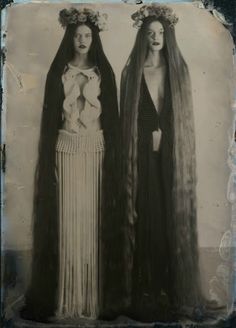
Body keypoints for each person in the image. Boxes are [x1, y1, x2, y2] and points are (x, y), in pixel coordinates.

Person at [21, 7, 120, 322]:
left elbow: (113, 122)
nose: (82, 39)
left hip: (95, 154)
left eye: (87, 35)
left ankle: (91, 300)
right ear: (69, 37)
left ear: (94, 38)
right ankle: (65, 299)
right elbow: (51, 121)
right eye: (77, 34)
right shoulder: (58, 74)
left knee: (92, 223)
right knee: (67, 225)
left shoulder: (104, 74)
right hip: (65, 153)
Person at [120, 4, 203, 322]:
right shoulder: (132, 73)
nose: (156, 37)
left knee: (172, 218)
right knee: (145, 218)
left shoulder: (178, 71)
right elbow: (128, 121)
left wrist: (164, 140)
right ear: (143, 36)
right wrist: (147, 139)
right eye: (150, 33)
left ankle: (171, 290)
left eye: (161, 33)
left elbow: (182, 121)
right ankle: (144, 290)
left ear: (169, 36)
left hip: (172, 161)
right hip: (140, 160)